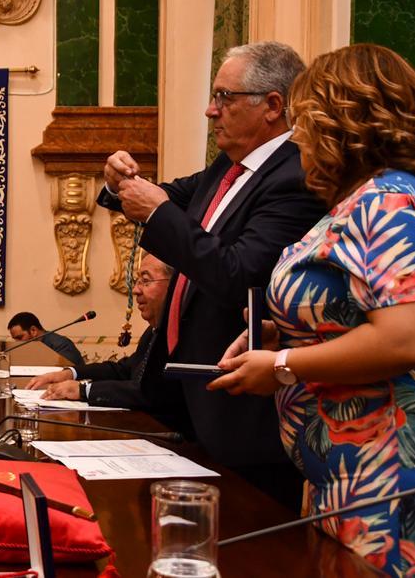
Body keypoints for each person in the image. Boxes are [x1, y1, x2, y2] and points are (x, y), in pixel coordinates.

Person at [210, 44, 415, 574]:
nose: (298, 137)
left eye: (304, 121)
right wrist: (283, 335)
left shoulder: (394, 201)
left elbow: (408, 337)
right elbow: (350, 310)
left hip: (398, 473)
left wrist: (281, 366)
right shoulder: (356, 201)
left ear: (340, 121)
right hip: (349, 472)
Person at [99, 41, 327, 506]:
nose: (210, 110)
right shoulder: (229, 166)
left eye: (225, 98)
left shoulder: (293, 176)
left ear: (273, 106)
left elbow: (239, 273)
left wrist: (157, 213)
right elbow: (163, 196)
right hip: (190, 401)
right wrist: (116, 182)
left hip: (243, 413)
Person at [25, 253, 172, 410]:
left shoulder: (180, 335)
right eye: (137, 281)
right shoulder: (153, 330)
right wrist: (70, 373)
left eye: (146, 281)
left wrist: (83, 391)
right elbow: (124, 370)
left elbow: (151, 393)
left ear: (173, 285)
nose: (136, 290)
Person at [6, 312, 84, 366]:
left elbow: (64, 373)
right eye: (15, 339)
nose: (17, 342)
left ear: (33, 330)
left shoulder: (62, 345)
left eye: (20, 337)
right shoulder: (30, 348)